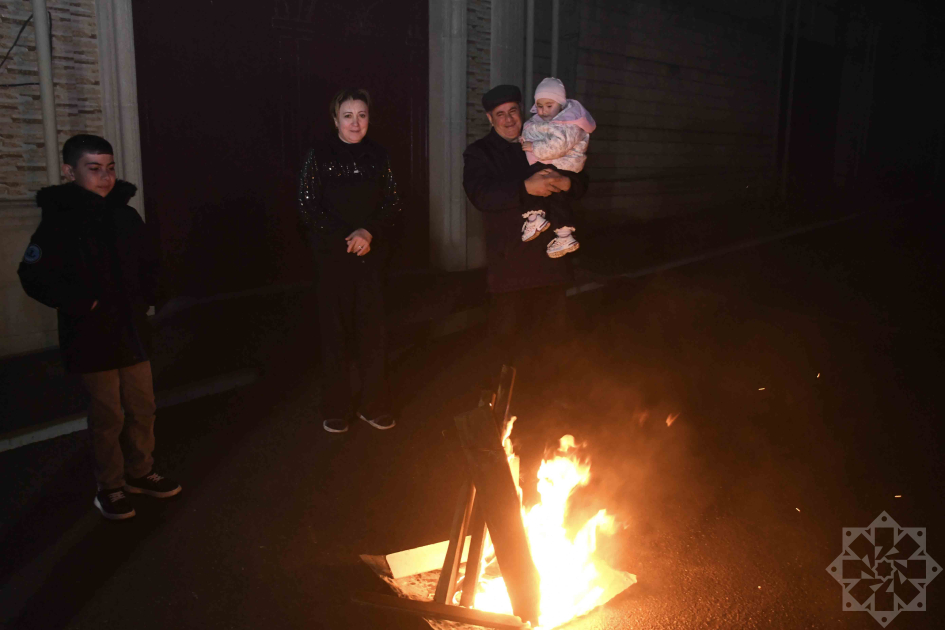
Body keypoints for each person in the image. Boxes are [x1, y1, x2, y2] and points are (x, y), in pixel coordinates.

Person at [18, 134, 181, 521]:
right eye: (93, 169)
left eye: (109, 169)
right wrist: (79, 303)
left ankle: (140, 471)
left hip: (131, 330)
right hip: (90, 334)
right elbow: (33, 274)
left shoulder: (125, 215)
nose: (105, 177)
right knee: (108, 414)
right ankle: (110, 485)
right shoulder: (59, 221)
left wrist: (151, 295)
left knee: (143, 406)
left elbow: (149, 261)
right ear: (69, 171)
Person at [298, 88, 402, 433]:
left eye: (362, 115)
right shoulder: (318, 155)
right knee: (335, 334)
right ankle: (336, 406)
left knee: (374, 333)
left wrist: (368, 233)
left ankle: (374, 405)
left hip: (371, 256)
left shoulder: (380, 155)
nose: (355, 123)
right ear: (335, 119)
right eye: (348, 116)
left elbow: (392, 204)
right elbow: (308, 206)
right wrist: (348, 237)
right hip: (332, 258)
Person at [463, 85, 589, 370]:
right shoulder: (479, 153)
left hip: (551, 263)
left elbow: (580, 178)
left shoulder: (543, 136)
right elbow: (480, 195)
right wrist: (525, 188)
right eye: (500, 114)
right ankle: (505, 398)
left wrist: (568, 183)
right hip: (510, 267)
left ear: (521, 111)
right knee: (507, 347)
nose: (509, 119)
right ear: (489, 118)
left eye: (513, 111)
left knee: (552, 343)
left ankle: (550, 396)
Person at [519, 77, 597, 258]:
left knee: (548, 192)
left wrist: (534, 147)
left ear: (561, 105)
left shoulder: (570, 123)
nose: (544, 111)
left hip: (563, 165)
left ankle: (538, 219)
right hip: (555, 164)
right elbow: (533, 133)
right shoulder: (546, 121)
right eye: (539, 106)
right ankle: (562, 233)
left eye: (549, 105)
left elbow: (558, 147)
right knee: (555, 199)